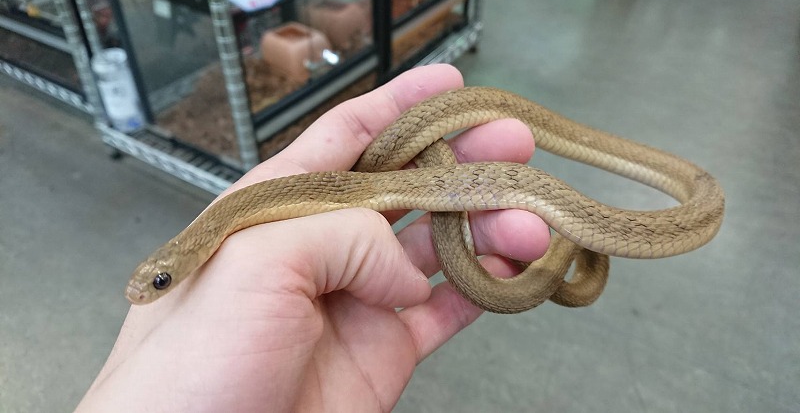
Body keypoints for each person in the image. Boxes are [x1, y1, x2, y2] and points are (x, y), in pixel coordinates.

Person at [76, 64, 551, 412]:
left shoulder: (223, 222)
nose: (151, 290)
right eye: (160, 281)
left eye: (160, 281)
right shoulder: (220, 228)